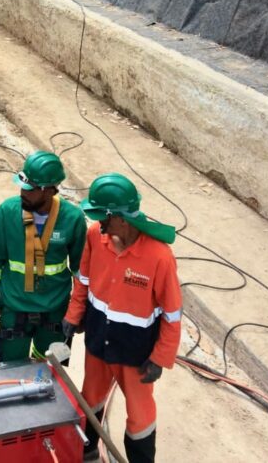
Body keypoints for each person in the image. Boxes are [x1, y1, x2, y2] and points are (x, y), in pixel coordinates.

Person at [62, 173, 182, 463]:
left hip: (135, 352)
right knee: (90, 397)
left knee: (140, 416)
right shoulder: (95, 237)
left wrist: (160, 357)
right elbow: (84, 279)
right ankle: (88, 450)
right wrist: (74, 314)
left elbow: (172, 314)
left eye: (103, 217)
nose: (98, 223)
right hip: (98, 340)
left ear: (122, 218)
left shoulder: (159, 257)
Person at [0, 151, 86, 362]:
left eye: (30, 189)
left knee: (48, 369)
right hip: (14, 305)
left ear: (48, 190)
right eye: (22, 186)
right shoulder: (7, 212)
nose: (22, 192)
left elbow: (81, 271)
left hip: (55, 309)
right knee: (10, 368)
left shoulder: (72, 219)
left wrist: (78, 311)